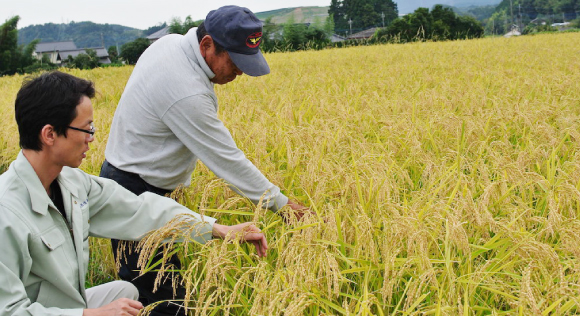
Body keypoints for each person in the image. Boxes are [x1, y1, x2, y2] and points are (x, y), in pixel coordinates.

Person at [0, 71, 268, 316]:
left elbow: (139, 209)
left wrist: (217, 229)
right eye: (86, 129)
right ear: (49, 134)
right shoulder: (6, 212)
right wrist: (91, 315)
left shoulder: (71, 183)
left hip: (68, 306)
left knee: (126, 294)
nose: (91, 138)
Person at [100, 5, 309, 315]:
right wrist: (283, 206)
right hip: (134, 192)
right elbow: (226, 159)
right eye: (236, 61)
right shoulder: (185, 90)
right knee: (163, 300)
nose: (240, 72)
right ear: (207, 45)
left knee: (150, 293)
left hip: (138, 183)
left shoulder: (171, 44)